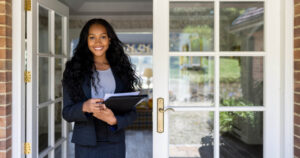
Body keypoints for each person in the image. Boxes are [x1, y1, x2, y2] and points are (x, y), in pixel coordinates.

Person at [62, 18, 140, 158]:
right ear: (86, 41)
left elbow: (132, 113)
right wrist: (84, 107)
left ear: (109, 39)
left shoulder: (121, 70)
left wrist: (114, 120)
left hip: (114, 143)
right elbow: (67, 113)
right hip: (85, 144)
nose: (97, 42)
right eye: (92, 37)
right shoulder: (74, 70)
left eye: (102, 37)